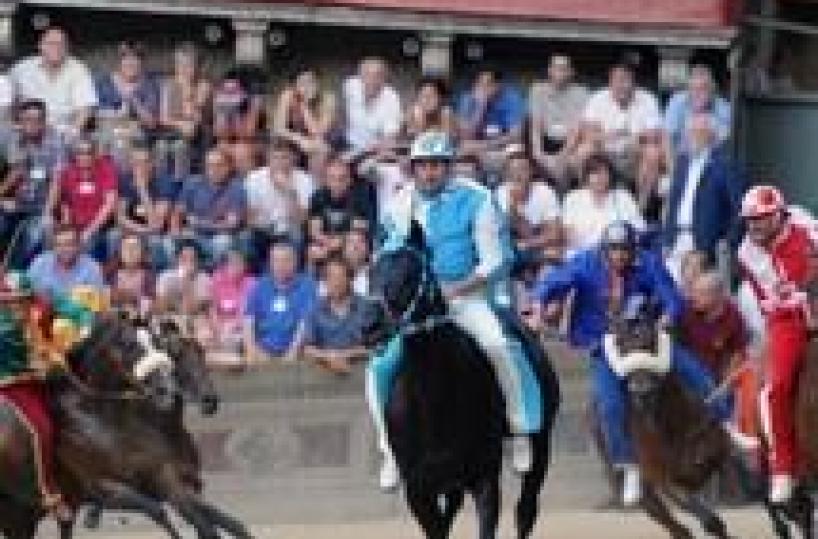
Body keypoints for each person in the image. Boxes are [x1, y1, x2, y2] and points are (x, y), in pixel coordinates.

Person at [370, 130, 542, 490]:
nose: (429, 172)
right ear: (413, 168)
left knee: (498, 345)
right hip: (417, 305)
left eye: (437, 165)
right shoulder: (399, 204)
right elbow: (390, 255)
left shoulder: (478, 199)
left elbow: (495, 260)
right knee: (380, 367)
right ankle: (389, 450)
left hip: (467, 297)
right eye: (423, 165)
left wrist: (456, 288)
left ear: (448, 167)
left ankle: (520, 429)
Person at [536, 220, 750, 506]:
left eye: (625, 250)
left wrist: (667, 316)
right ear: (605, 250)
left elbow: (670, 295)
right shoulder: (586, 263)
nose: (620, 256)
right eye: (614, 250)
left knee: (694, 371)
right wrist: (542, 303)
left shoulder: (647, 262)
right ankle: (628, 465)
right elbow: (554, 282)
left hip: (647, 335)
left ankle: (727, 424)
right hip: (604, 341)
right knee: (609, 403)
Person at [736, 186, 818, 503]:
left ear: (779, 215)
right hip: (787, 319)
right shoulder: (746, 253)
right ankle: (783, 467)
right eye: (750, 220)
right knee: (778, 386)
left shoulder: (805, 224)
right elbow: (767, 300)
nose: (754, 225)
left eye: (761, 218)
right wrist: (797, 300)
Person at [0, 270, 73, 524]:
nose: (18, 306)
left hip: (36, 382)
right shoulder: (6, 331)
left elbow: (56, 312)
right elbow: (35, 362)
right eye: (12, 302)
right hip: (13, 386)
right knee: (41, 430)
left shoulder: (31, 315)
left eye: (23, 300)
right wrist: (50, 363)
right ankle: (50, 495)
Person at [664, 112, 745, 282]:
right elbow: (673, 202)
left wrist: (728, 242)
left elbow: (740, 207)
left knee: (698, 291)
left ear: (712, 135)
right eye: (690, 131)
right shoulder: (682, 162)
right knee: (671, 287)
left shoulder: (725, 164)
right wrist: (667, 239)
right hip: (677, 239)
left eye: (698, 132)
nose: (691, 136)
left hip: (705, 243)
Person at [0, 99, 69, 267]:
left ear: (44, 121)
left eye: (37, 120)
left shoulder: (56, 142)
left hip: (41, 205)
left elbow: (57, 181)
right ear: (20, 121)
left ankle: (14, 272)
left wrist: (47, 212)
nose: (32, 124)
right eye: (27, 120)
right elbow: (17, 171)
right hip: (17, 202)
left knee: (37, 232)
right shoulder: (14, 138)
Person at [341, 57, 405, 215]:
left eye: (378, 76)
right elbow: (342, 115)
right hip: (348, 144)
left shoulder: (391, 98)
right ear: (360, 76)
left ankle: (375, 218)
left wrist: (368, 155)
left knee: (371, 170)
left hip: (374, 151)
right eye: (367, 75)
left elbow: (390, 140)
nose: (372, 81)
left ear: (384, 79)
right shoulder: (350, 86)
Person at [10, 26, 97, 137]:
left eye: (61, 44)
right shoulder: (21, 69)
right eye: (51, 43)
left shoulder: (78, 69)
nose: (56, 48)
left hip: (64, 132)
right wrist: (14, 127)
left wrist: (73, 132)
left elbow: (85, 108)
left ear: (67, 48)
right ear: (40, 46)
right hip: (28, 132)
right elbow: (7, 102)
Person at [583, 61, 661, 180]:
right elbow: (588, 134)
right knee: (584, 151)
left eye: (626, 80)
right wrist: (608, 136)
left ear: (633, 82)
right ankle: (585, 191)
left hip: (635, 151)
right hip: (604, 151)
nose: (622, 85)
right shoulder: (598, 98)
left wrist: (636, 137)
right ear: (610, 82)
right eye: (617, 80)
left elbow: (654, 133)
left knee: (652, 153)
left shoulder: (647, 98)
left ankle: (644, 193)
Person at [244, 138, 315, 269]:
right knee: (246, 238)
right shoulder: (254, 178)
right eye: (275, 158)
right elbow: (249, 219)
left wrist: (289, 192)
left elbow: (301, 221)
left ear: (293, 159)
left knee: (297, 237)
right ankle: (259, 275)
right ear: (268, 159)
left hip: (289, 230)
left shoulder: (305, 180)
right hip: (263, 229)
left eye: (284, 158)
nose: (280, 163)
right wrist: (260, 223)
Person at [171, 147, 247, 269]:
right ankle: (181, 273)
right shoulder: (192, 183)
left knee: (223, 242)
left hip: (219, 237)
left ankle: (210, 272)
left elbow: (231, 224)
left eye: (219, 165)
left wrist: (200, 223)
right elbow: (178, 212)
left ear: (228, 167)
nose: (214, 170)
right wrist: (176, 232)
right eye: (210, 166)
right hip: (193, 235)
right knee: (169, 242)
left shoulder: (236, 188)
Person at [244, 241, 317, 363]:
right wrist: (251, 350)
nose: (280, 265)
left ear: (295, 262)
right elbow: (248, 320)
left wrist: (292, 352)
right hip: (262, 350)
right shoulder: (260, 285)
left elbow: (305, 322)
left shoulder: (307, 285)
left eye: (285, 260)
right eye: (276, 260)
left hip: (295, 353)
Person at [45, 138, 118, 260]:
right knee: (47, 228)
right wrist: (66, 227)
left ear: (95, 154)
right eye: (80, 152)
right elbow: (64, 202)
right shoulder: (69, 170)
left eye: (88, 152)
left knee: (85, 242)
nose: (84, 156)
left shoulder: (106, 169)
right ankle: (49, 265)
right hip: (73, 224)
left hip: (98, 226)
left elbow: (109, 205)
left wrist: (90, 230)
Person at [529, 54, 590, 192]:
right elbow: (536, 124)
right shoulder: (538, 89)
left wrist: (562, 155)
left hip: (570, 142)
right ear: (549, 70)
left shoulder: (581, 93)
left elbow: (577, 129)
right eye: (556, 67)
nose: (559, 72)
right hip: (546, 140)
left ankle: (565, 196)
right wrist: (538, 151)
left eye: (564, 68)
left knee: (563, 167)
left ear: (571, 72)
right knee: (534, 160)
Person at [108, 144, 174, 271]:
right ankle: (116, 273)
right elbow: (120, 218)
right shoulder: (125, 180)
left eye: (145, 162)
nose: (141, 167)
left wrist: (142, 190)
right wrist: (141, 230)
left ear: (152, 164)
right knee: (113, 235)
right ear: (131, 165)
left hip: (156, 232)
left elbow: (156, 224)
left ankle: (153, 276)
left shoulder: (164, 182)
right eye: (136, 163)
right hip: (133, 229)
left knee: (155, 242)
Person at [495, 153, 561, 279]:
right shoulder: (501, 193)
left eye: (522, 169)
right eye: (512, 170)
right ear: (507, 174)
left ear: (531, 171)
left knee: (552, 254)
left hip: (537, 248)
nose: (517, 174)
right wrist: (513, 206)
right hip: (511, 249)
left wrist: (526, 243)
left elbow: (554, 235)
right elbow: (502, 232)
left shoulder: (545, 192)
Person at [562, 154, 644, 253]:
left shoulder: (623, 197)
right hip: (582, 254)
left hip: (618, 254)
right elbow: (567, 235)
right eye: (595, 173)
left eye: (605, 173)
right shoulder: (573, 199)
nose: (600, 178)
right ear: (586, 177)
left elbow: (639, 229)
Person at [303, 256, 371, 374]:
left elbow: (375, 347)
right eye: (331, 278)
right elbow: (308, 349)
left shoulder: (367, 307)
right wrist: (328, 357)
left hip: (362, 371)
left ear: (350, 279)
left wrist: (343, 355)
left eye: (340, 277)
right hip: (324, 373)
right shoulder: (316, 310)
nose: (336, 283)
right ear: (325, 281)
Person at [307, 155, 376, 269]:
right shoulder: (318, 196)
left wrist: (339, 241)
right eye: (332, 178)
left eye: (342, 178)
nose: (337, 183)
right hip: (327, 242)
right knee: (313, 251)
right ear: (326, 179)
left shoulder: (360, 197)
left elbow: (359, 229)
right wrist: (326, 242)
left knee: (354, 245)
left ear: (349, 180)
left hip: (350, 242)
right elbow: (314, 229)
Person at [94, 41, 160, 161]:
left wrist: (134, 100)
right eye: (126, 59)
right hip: (108, 128)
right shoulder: (104, 82)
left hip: (136, 133)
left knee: (129, 140)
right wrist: (117, 116)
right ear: (120, 62)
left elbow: (151, 123)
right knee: (106, 138)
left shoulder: (149, 84)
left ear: (141, 63)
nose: (131, 63)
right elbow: (95, 114)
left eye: (135, 59)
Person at [456, 70, 525, 179]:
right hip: (477, 148)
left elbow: (516, 134)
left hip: (502, 146)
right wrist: (480, 107)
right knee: (463, 151)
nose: (483, 88)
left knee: (517, 149)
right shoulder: (468, 99)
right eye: (479, 84)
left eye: (488, 84)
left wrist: (487, 145)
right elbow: (465, 136)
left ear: (498, 85)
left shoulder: (511, 98)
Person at [156, 42, 211, 179]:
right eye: (180, 64)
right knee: (161, 146)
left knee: (180, 147)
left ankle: (182, 183)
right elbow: (164, 118)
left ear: (197, 66)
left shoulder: (203, 86)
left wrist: (186, 90)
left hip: (198, 134)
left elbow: (194, 118)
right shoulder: (168, 85)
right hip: (173, 132)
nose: (183, 69)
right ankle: (163, 183)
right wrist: (180, 124)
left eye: (188, 64)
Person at [272, 68, 338, 174]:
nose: (308, 86)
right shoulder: (288, 95)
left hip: (321, 140)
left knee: (319, 149)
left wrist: (304, 106)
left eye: (311, 81)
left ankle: (315, 182)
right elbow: (278, 128)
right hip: (294, 140)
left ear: (318, 82)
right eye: (302, 83)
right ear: (295, 87)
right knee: (281, 152)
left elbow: (319, 132)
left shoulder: (328, 98)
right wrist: (300, 139)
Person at [664, 65, 731, 155]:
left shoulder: (723, 107)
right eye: (694, 89)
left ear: (712, 89)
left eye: (703, 89)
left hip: (712, 157)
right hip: (681, 156)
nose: (698, 94)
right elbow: (667, 137)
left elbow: (726, 140)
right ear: (688, 90)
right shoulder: (677, 102)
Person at [154, 240, 211, 341]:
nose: (188, 262)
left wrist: (186, 282)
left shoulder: (205, 279)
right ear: (177, 260)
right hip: (170, 317)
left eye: (192, 259)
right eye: (184, 258)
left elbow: (190, 310)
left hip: (194, 320)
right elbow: (161, 307)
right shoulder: (165, 277)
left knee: (200, 325)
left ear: (198, 261)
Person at [28, 225, 104, 298]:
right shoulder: (41, 262)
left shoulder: (92, 268)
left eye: (69, 244)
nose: (64, 249)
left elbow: (99, 299)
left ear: (78, 246)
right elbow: (26, 287)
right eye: (59, 245)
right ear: (54, 247)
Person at [207, 247, 255, 355]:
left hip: (240, 327)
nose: (237, 267)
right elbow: (212, 308)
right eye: (232, 263)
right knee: (206, 337)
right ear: (225, 266)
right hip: (219, 325)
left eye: (240, 263)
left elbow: (245, 313)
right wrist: (217, 327)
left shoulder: (251, 283)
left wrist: (231, 326)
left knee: (233, 340)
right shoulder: (216, 278)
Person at [107, 234, 154, 316]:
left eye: (134, 248)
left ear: (142, 253)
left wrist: (135, 299)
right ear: (120, 253)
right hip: (118, 316)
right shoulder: (114, 276)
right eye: (126, 248)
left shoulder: (147, 276)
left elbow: (151, 302)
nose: (130, 252)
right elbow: (110, 299)